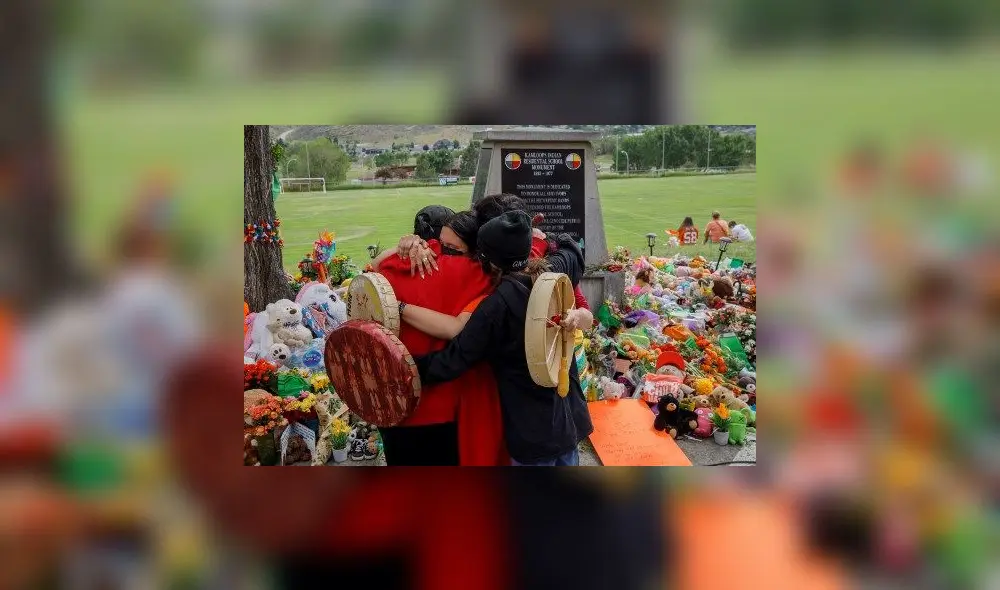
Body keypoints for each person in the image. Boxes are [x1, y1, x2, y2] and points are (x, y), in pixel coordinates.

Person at [413, 211, 594, 466]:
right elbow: (573, 251)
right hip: (566, 423)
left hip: (531, 435)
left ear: (486, 259)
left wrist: (403, 365)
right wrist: (550, 237)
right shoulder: (551, 272)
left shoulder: (495, 307)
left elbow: (453, 360)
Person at [372, 208, 501, 466]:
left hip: (392, 398)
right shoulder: (481, 275)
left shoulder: (395, 264)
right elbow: (455, 328)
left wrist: (409, 247)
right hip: (440, 403)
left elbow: (374, 267)